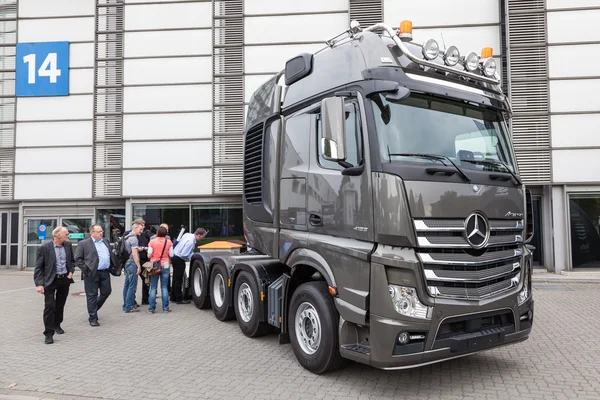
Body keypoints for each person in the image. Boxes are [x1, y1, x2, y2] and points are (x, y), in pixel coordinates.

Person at [34, 227, 75, 344]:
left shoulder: (67, 245)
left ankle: (57, 324)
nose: (68, 235)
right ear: (58, 235)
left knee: (60, 304)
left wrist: (71, 272)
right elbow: (39, 268)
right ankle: (48, 333)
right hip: (50, 281)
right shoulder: (44, 248)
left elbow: (72, 261)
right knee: (50, 306)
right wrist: (39, 284)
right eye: (66, 234)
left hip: (64, 280)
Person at [75, 225, 113, 327]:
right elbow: (78, 259)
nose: (101, 233)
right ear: (92, 232)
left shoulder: (105, 241)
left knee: (106, 291)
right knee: (92, 296)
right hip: (91, 273)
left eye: (102, 231)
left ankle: (93, 309)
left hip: (104, 272)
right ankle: (93, 318)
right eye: (98, 231)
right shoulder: (84, 243)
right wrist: (87, 270)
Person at [171, 228, 207, 304]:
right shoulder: (191, 242)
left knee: (175, 278)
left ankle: (173, 296)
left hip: (174, 256)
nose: (202, 238)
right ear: (199, 236)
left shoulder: (187, 234)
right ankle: (179, 299)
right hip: (179, 260)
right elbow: (184, 255)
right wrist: (193, 256)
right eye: (203, 237)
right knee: (178, 280)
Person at [147, 226, 174, 313]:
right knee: (164, 287)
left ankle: (151, 308)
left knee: (153, 287)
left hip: (155, 265)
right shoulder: (168, 241)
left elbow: (149, 255)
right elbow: (172, 255)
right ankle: (165, 308)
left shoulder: (152, 242)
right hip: (165, 265)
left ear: (157, 233)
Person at [122, 222, 143, 313]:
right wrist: (138, 266)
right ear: (135, 228)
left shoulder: (127, 237)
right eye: (140, 229)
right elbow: (134, 254)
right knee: (132, 286)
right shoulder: (134, 238)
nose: (141, 231)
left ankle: (125, 305)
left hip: (126, 263)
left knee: (127, 285)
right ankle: (129, 306)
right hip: (132, 263)